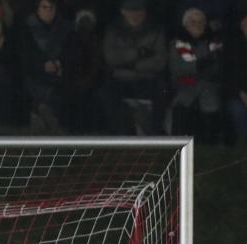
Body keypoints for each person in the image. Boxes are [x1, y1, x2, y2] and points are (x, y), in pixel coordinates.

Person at [99, 0, 167, 135]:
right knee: (104, 94)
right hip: (120, 79)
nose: (135, 15)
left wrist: (131, 64)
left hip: (148, 79)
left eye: (138, 11)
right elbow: (111, 58)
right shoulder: (113, 30)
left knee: (162, 92)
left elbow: (160, 61)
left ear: (144, 12)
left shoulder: (156, 30)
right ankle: (125, 131)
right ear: (123, 12)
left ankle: (154, 133)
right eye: (131, 11)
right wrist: (138, 54)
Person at [169, 7, 225, 142]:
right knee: (183, 105)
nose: (197, 25)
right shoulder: (177, 43)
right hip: (184, 85)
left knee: (211, 102)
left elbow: (216, 67)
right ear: (185, 24)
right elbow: (177, 68)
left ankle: (210, 145)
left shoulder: (211, 43)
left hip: (207, 86)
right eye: (193, 22)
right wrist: (200, 65)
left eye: (200, 22)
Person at [20, 0, 73, 131]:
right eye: (44, 7)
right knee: (34, 82)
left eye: (51, 7)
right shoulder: (26, 27)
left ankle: (40, 113)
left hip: (59, 71)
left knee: (60, 85)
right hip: (35, 71)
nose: (48, 11)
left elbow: (72, 52)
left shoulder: (66, 28)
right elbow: (23, 54)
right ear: (38, 8)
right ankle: (43, 114)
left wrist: (57, 63)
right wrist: (42, 66)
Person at [63, 8, 105, 133]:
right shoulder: (71, 39)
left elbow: (96, 65)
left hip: (91, 83)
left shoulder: (95, 40)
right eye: (83, 21)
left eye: (88, 22)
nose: (85, 25)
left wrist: (87, 81)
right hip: (72, 82)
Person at [223, 4, 247, 144]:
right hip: (238, 94)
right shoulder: (233, 46)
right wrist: (242, 94)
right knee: (237, 110)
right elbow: (231, 74)